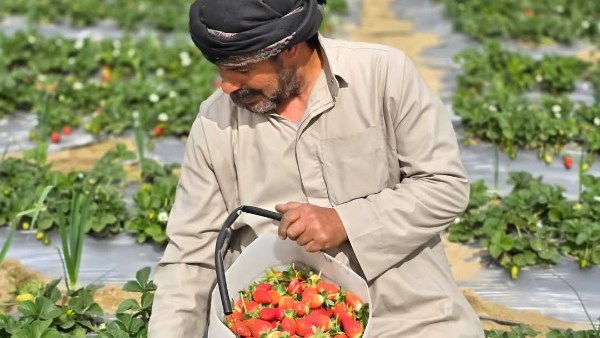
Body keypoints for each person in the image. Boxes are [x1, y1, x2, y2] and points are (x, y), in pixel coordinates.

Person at [148, 0, 485, 337]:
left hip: (407, 316)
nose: (227, 85)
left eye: (242, 69)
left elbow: (445, 185)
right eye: (220, 69)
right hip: (280, 319)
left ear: (291, 47)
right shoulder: (215, 124)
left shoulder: (383, 75)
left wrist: (345, 222)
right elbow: (191, 258)